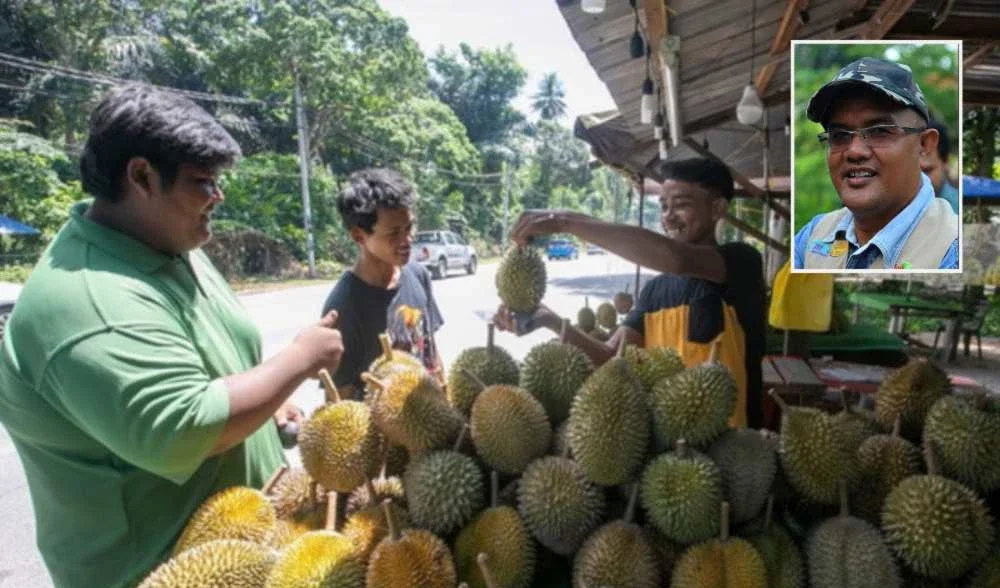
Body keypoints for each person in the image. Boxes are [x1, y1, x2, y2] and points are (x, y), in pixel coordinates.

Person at [0, 85, 345, 588]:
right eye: (202, 181)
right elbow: (182, 425)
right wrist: (300, 359)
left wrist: (269, 400)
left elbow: (208, 357)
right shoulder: (88, 301)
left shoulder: (168, 240)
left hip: (244, 556)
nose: (218, 196)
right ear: (141, 177)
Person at [495, 157, 766, 430]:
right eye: (663, 206)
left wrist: (565, 221)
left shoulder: (741, 262)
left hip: (732, 448)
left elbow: (677, 259)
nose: (669, 216)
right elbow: (611, 358)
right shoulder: (654, 292)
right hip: (669, 451)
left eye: (681, 204)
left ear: (717, 208)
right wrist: (549, 320)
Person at [793, 57, 959, 271]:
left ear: (925, 145)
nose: (854, 151)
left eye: (880, 131)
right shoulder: (812, 237)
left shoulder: (953, 250)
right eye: (839, 135)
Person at [320, 168, 444, 400]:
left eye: (409, 228)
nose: (407, 240)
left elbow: (431, 353)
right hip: (381, 430)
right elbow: (339, 397)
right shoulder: (344, 307)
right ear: (359, 236)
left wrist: (444, 397)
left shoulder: (418, 275)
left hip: (429, 415)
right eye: (394, 233)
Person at [921, 118, 959, 214]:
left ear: (945, 162)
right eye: (911, 171)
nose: (919, 179)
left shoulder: (957, 209)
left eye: (926, 171)